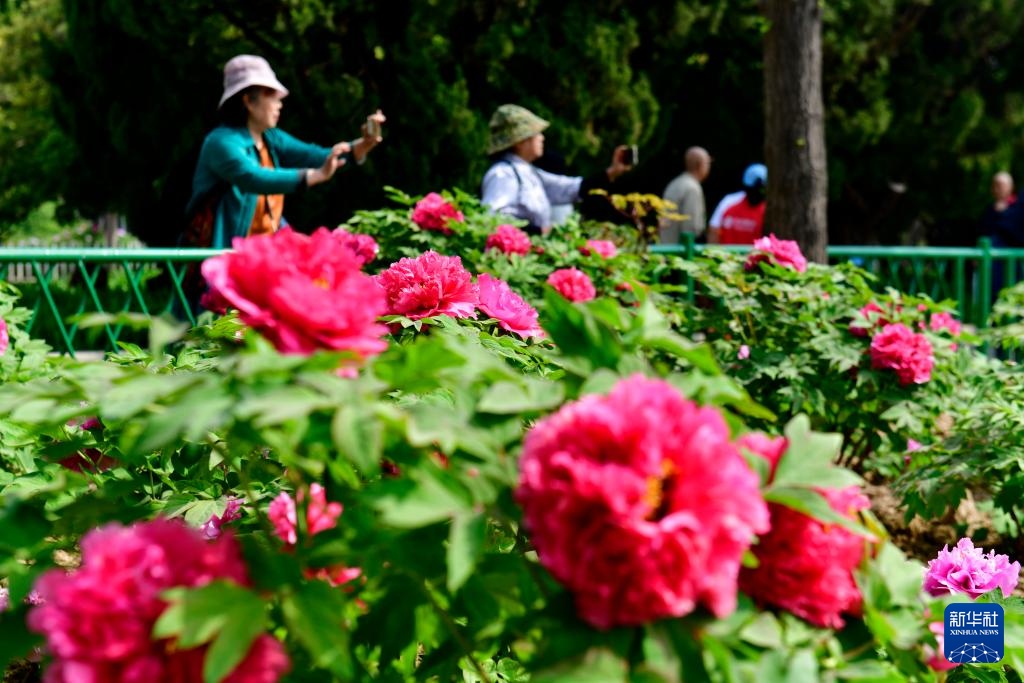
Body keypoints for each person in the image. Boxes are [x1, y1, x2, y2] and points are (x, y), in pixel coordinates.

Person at [183, 55, 385, 249]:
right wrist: (315, 175)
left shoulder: (271, 138)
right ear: (248, 101)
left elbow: (318, 157)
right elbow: (253, 177)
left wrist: (362, 145)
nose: (280, 103)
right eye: (271, 94)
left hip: (264, 258)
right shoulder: (220, 142)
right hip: (219, 265)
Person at [481, 104, 633, 235]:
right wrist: (538, 231)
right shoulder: (502, 174)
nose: (542, 138)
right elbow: (493, 218)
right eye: (536, 134)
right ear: (519, 141)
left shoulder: (528, 172)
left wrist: (612, 172)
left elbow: (570, 188)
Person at [659, 146, 711, 244]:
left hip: (665, 246)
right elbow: (691, 228)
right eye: (708, 163)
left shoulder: (675, 183)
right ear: (700, 165)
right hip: (679, 252)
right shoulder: (693, 188)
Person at [708, 163, 767, 245]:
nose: (758, 192)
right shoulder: (729, 201)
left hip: (755, 257)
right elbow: (713, 229)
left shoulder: (769, 208)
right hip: (726, 256)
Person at [979, 171, 1017, 242]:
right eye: (994, 185)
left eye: (1000, 185)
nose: (996, 189)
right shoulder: (989, 210)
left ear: (1010, 187)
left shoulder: (1018, 208)